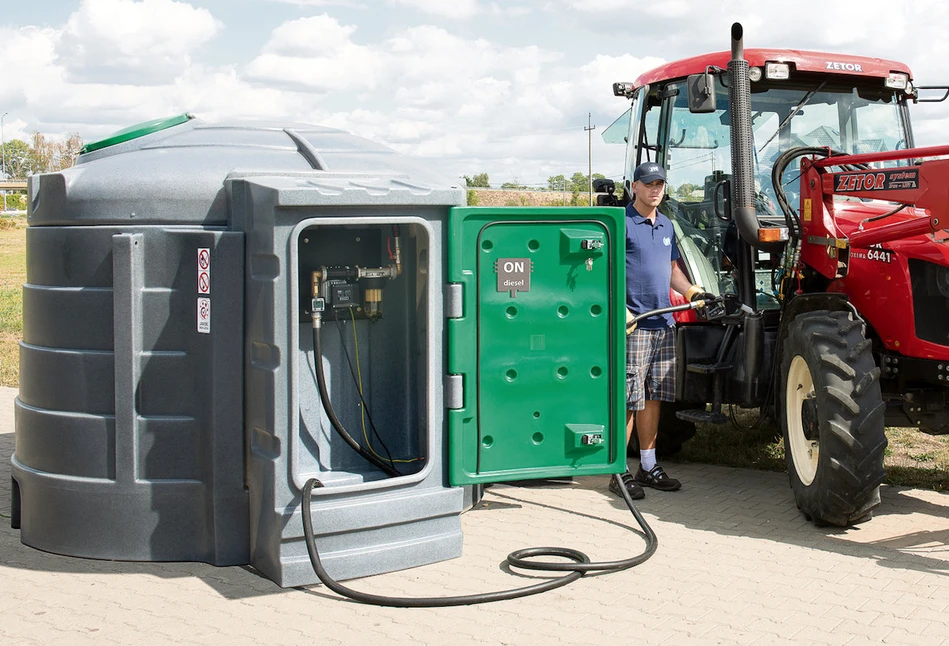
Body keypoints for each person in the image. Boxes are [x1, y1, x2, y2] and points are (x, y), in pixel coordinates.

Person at [610, 161, 712, 500]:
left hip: (663, 322)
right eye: (649, 183)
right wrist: (619, 308)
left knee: (652, 397)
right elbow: (603, 273)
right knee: (628, 398)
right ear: (634, 187)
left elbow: (671, 270)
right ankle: (618, 471)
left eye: (660, 184)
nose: (656, 189)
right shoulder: (621, 224)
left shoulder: (666, 224)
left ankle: (648, 465)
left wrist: (691, 291)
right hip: (634, 325)